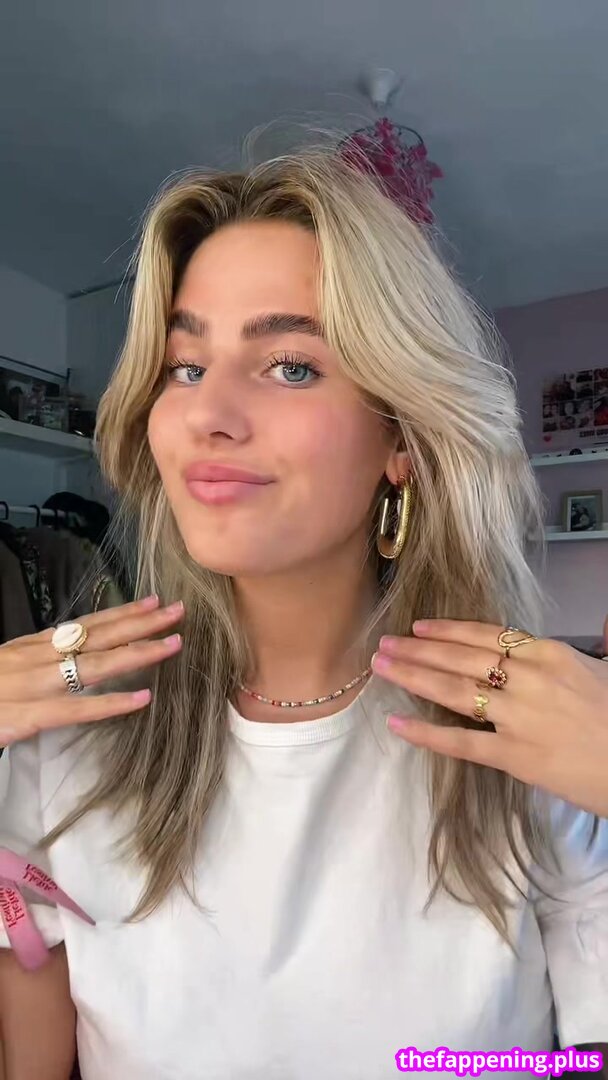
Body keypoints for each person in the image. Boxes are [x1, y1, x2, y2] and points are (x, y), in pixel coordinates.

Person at [0, 149, 607, 1080]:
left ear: (401, 437)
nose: (208, 413)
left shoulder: (539, 748)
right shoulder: (62, 743)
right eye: (184, 365)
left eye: (289, 367)